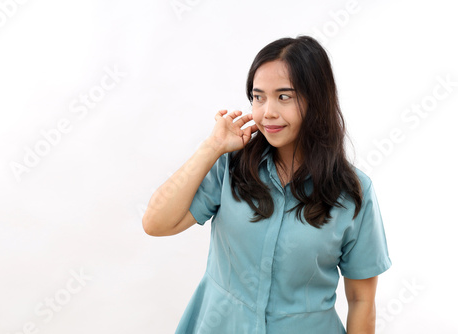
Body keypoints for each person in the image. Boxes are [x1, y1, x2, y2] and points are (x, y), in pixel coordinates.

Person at [142, 35, 391, 334]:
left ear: (317, 100)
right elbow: (155, 223)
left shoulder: (353, 192)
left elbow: (361, 299)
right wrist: (211, 148)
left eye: (284, 96)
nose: (267, 112)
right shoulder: (231, 164)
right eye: (258, 97)